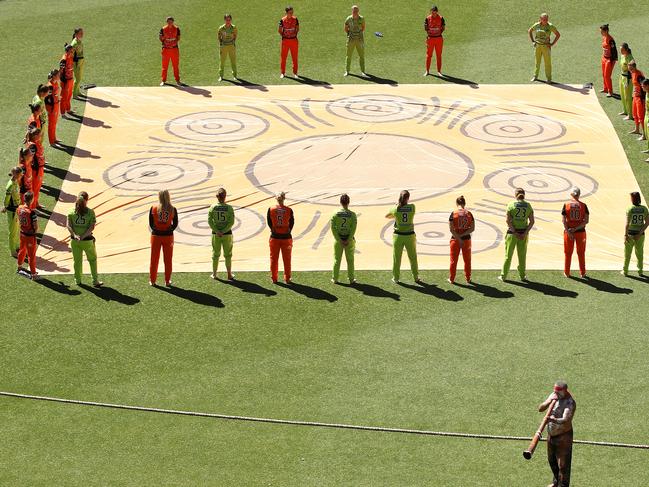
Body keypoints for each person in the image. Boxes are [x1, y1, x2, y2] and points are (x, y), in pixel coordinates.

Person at [538, 381, 576, 487]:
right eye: (555, 392)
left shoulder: (569, 402)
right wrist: (548, 401)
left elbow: (566, 419)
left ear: (564, 391)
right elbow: (540, 408)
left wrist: (554, 420)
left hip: (563, 437)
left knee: (563, 465)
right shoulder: (553, 395)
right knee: (552, 460)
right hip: (551, 435)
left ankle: (563, 485)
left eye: (558, 392)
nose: (556, 394)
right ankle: (556, 483)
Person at [66, 191, 103, 287]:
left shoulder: (71, 212)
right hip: (87, 241)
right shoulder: (90, 212)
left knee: (77, 261)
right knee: (92, 260)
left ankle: (77, 280)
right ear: (87, 200)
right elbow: (91, 227)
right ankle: (95, 281)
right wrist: (83, 236)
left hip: (75, 241)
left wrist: (75, 235)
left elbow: (68, 226)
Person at [499, 188, 535, 281]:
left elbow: (508, 221)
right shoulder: (528, 206)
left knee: (508, 256)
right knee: (522, 256)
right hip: (523, 233)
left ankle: (504, 275)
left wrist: (514, 232)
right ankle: (522, 276)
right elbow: (532, 221)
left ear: (515, 195)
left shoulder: (511, 205)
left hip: (512, 234)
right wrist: (525, 233)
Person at [386, 190, 420, 284]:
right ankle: (416, 277)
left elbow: (387, 216)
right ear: (408, 198)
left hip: (398, 236)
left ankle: (396, 278)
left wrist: (396, 214)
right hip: (410, 235)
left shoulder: (395, 208)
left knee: (397, 258)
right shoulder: (412, 207)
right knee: (413, 257)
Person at [149, 189, 178, 287]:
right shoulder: (172, 209)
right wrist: (168, 230)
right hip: (168, 237)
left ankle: (153, 280)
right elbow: (175, 224)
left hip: (156, 236)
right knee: (168, 260)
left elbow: (151, 224)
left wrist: (158, 229)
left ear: (159, 197)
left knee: (154, 259)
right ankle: (167, 281)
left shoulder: (153, 208)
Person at [208, 187, 235, 280]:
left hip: (216, 234)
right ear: (225, 196)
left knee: (215, 254)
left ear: (217, 197)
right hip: (227, 234)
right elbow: (231, 222)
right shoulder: (229, 208)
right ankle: (229, 274)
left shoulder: (212, 207)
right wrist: (223, 231)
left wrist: (217, 230)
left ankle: (215, 274)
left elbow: (209, 221)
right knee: (228, 254)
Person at [561, 187, 589, 278]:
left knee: (568, 253)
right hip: (580, 232)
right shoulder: (583, 205)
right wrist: (576, 228)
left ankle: (567, 272)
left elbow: (564, 220)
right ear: (579, 194)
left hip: (568, 232)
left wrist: (569, 231)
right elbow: (586, 221)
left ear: (571, 194)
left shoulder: (566, 204)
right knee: (581, 252)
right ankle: (583, 272)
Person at [267, 191, 294, 284]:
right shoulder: (289, 209)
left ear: (276, 198)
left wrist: (273, 229)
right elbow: (292, 222)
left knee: (274, 258)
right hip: (286, 237)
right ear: (284, 198)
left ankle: (274, 278)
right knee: (287, 259)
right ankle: (287, 278)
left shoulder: (271, 209)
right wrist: (288, 230)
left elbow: (269, 221)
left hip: (274, 237)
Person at [330, 193, 357, 284]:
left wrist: (339, 240)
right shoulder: (353, 215)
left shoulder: (335, 214)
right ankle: (351, 279)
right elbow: (353, 229)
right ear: (348, 202)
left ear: (340, 202)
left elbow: (333, 229)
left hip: (339, 241)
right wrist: (348, 239)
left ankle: (335, 278)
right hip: (349, 240)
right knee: (350, 260)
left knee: (337, 260)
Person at [448, 195, 474, 284]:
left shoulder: (453, 213)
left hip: (455, 239)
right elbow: (472, 228)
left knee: (453, 260)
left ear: (457, 203)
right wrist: (463, 235)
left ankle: (452, 279)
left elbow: (451, 229)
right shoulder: (469, 213)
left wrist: (458, 238)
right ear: (464, 203)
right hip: (466, 240)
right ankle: (468, 278)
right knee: (467, 260)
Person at [622, 191, 649, 276]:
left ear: (632, 199)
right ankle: (640, 271)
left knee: (627, 254)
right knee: (640, 253)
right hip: (640, 235)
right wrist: (640, 233)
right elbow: (647, 222)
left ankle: (625, 271)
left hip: (630, 234)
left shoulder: (630, 209)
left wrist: (625, 235)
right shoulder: (644, 209)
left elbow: (627, 224)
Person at [528, 13, 560, 83]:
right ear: (540, 19)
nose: (546, 21)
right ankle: (535, 76)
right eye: (544, 19)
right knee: (537, 62)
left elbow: (558, 35)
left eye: (546, 19)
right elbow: (529, 31)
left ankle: (549, 79)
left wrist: (552, 44)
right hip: (538, 46)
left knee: (547, 63)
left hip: (546, 47)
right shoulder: (537, 25)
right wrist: (533, 41)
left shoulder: (550, 26)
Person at [16, 191, 39, 280]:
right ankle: (33, 274)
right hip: (30, 236)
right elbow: (36, 227)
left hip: (22, 233)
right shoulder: (32, 213)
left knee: (22, 251)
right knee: (31, 255)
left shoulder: (19, 208)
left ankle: (19, 266)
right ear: (32, 199)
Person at [26, 108, 45, 209]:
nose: (40, 135)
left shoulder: (35, 143)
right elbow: (31, 159)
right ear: (34, 136)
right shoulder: (32, 145)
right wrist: (36, 168)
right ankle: (33, 207)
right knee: (35, 188)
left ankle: (36, 203)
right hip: (36, 169)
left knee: (38, 187)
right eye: (38, 134)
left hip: (40, 168)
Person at [2, 167, 23, 257]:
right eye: (20, 174)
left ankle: (16, 246)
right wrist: (5, 207)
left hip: (17, 208)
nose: (21, 175)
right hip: (12, 210)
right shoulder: (10, 185)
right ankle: (12, 250)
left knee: (17, 228)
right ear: (16, 175)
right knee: (12, 231)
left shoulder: (15, 182)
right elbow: (7, 198)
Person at [344, 5, 367, 77]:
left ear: (358, 11)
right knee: (348, 56)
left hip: (360, 40)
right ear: (352, 11)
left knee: (361, 56)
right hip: (351, 40)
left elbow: (363, 28)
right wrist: (350, 34)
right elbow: (345, 28)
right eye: (354, 11)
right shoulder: (348, 19)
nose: (355, 12)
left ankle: (363, 71)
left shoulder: (362, 19)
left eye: (356, 11)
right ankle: (347, 71)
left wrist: (358, 34)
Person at [423, 5, 445, 77]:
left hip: (438, 39)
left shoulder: (441, 18)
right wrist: (431, 33)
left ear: (437, 12)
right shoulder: (427, 18)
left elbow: (443, 28)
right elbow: (425, 28)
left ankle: (439, 71)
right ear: (430, 12)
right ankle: (427, 71)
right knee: (429, 55)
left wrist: (437, 33)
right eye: (432, 12)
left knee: (439, 55)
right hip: (430, 39)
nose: (433, 14)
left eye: (435, 12)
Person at [278, 6, 299, 78]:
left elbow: (297, 29)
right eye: (290, 12)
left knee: (294, 57)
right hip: (285, 41)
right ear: (286, 13)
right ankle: (282, 73)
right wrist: (284, 36)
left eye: (292, 12)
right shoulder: (282, 20)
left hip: (294, 41)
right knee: (283, 57)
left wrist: (293, 35)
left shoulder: (295, 19)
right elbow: (280, 30)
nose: (292, 13)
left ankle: (295, 73)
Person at [159, 17, 181, 86]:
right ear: (167, 22)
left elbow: (178, 38)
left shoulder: (177, 29)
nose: (170, 23)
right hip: (166, 50)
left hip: (174, 50)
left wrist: (172, 42)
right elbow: (160, 37)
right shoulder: (163, 29)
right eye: (168, 21)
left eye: (171, 21)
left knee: (175, 66)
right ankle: (163, 80)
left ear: (173, 22)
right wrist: (166, 42)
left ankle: (177, 80)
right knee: (164, 66)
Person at [628, 61, 646, 140]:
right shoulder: (633, 73)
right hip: (635, 96)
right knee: (635, 113)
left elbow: (644, 86)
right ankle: (637, 129)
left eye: (631, 69)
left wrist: (643, 98)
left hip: (640, 98)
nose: (630, 70)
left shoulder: (639, 75)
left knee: (641, 116)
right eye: (629, 69)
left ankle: (644, 134)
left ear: (634, 67)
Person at [218, 14, 238, 81]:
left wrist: (232, 42)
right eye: (226, 20)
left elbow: (235, 35)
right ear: (224, 20)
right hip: (224, 46)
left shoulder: (234, 27)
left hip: (231, 46)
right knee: (222, 62)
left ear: (231, 20)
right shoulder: (221, 28)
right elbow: (219, 37)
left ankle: (234, 75)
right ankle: (221, 76)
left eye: (229, 20)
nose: (228, 21)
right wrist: (221, 44)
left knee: (233, 61)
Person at [599, 24, 617, 97]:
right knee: (603, 74)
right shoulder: (604, 37)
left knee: (607, 76)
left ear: (606, 31)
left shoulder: (610, 40)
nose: (601, 33)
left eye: (602, 31)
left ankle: (610, 91)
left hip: (609, 60)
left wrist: (613, 60)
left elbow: (614, 50)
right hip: (604, 58)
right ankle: (605, 88)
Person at [44, 69, 61, 146]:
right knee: (51, 124)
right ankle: (51, 142)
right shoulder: (50, 86)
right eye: (58, 75)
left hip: (56, 104)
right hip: (52, 107)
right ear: (54, 76)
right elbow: (47, 99)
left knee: (54, 123)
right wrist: (49, 109)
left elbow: (55, 94)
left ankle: (54, 138)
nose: (59, 76)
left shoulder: (56, 83)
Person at [618, 43, 634, 120]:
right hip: (622, 77)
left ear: (626, 49)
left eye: (622, 50)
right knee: (622, 95)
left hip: (628, 79)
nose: (620, 51)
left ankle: (630, 115)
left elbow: (632, 70)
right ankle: (625, 111)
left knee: (628, 97)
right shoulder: (622, 56)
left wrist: (628, 81)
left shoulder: (630, 58)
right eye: (620, 49)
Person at [59, 44, 75, 117]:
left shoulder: (70, 56)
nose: (73, 52)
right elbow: (60, 71)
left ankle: (68, 109)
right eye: (71, 51)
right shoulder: (64, 59)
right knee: (64, 97)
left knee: (69, 95)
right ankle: (62, 113)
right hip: (65, 80)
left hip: (70, 78)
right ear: (67, 51)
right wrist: (63, 80)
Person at [71, 28, 85, 98]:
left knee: (80, 77)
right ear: (76, 34)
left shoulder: (79, 41)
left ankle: (78, 91)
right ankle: (74, 94)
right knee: (78, 78)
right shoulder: (74, 43)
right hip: (76, 62)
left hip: (81, 61)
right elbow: (70, 54)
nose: (82, 34)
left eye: (82, 33)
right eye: (80, 33)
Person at [643, 79, 649, 161]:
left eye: (643, 86)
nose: (642, 87)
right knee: (647, 134)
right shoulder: (647, 93)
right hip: (646, 115)